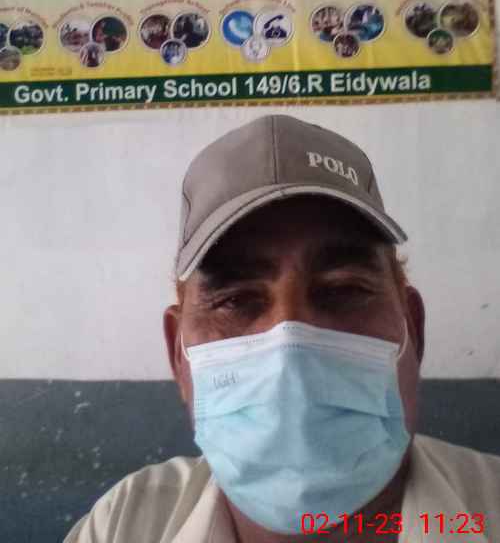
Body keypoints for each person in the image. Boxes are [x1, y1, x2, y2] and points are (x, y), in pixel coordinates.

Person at [65, 115, 500, 542]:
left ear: (414, 330)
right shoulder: (123, 526)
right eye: (235, 300)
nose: (291, 351)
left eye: (344, 289)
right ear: (178, 357)